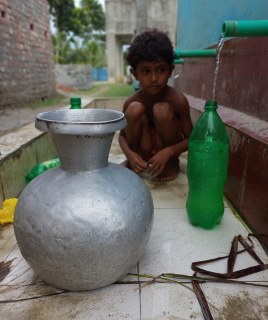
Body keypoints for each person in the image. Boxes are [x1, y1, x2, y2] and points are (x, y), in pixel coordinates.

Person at [119, 29, 193, 181]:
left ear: (171, 70)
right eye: (146, 71)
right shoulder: (130, 102)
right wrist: (130, 155)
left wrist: (170, 152)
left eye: (161, 70)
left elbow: (192, 139)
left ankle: (170, 163)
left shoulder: (178, 100)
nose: (154, 78)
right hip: (141, 149)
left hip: (166, 149)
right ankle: (136, 162)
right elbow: (122, 137)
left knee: (162, 110)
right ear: (135, 74)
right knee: (134, 108)